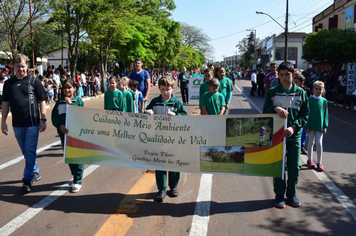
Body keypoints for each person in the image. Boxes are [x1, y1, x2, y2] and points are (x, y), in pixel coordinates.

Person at [263, 61, 309, 208]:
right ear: (278, 75)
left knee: (295, 166)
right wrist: (275, 108)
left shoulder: (301, 92)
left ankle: (291, 193)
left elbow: (305, 114)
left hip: (294, 136)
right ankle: (279, 194)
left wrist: (294, 128)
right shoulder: (273, 92)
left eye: (287, 75)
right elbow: (265, 111)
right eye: (281, 75)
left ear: (293, 75)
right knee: (279, 166)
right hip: (277, 136)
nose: (284, 77)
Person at [1, 54, 47, 193]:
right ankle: (35, 171)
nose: (21, 69)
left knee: (30, 151)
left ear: (27, 66)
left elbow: (42, 101)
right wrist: (3, 122)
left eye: (23, 66)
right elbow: (5, 104)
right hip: (17, 125)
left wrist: (43, 120)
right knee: (26, 152)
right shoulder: (9, 84)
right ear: (13, 68)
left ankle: (27, 180)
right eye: (18, 67)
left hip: (32, 123)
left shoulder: (34, 82)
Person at [144, 76, 187, 202]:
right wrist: (148, 113)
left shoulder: (176, 103)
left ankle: (173, 187)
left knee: (174, 162)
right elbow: (145, 114)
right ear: (159, 89)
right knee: (160, 162)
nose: (165, 92)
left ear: (173, 88)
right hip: (158, 138)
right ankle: (161, 189)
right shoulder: (155, 102)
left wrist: (176, 115)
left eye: (168, 89)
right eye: (163, 89)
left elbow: (185, 117)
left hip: (173, 139)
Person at [51, 79, 84, 193]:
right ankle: (74, 175)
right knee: (68, 155)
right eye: (65, 88)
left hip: (76, 134)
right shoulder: (59, 102)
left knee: (78, 156)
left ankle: (78, 180)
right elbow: (54, 117)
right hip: (64, 134)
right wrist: (59, 126)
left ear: (74, 88)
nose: (67, 90)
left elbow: (82, 115)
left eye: (69, 87)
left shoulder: (78, 101)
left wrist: (71, 104)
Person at [305, 81, 329, 172]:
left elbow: (326, 114)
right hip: (311, 125)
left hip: (320, 126)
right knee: (311, 142)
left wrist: (325, 126)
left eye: (320, 89)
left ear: (323, 90)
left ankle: (319, 162)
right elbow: (307, 113)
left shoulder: (324, 101)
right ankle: (310, 160)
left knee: (319, 143)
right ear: (313, 89)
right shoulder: (310, 100)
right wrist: (307, 125)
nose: (318, 91)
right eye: (316, 89)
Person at [293, 72, 311, 155]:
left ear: (302, 82)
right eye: (294, 82)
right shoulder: (293, 90)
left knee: (304, 132)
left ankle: (301, 146)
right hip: (296, 113)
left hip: (303, 113)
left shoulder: (307, 90)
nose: (295, 84)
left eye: (297, 82)